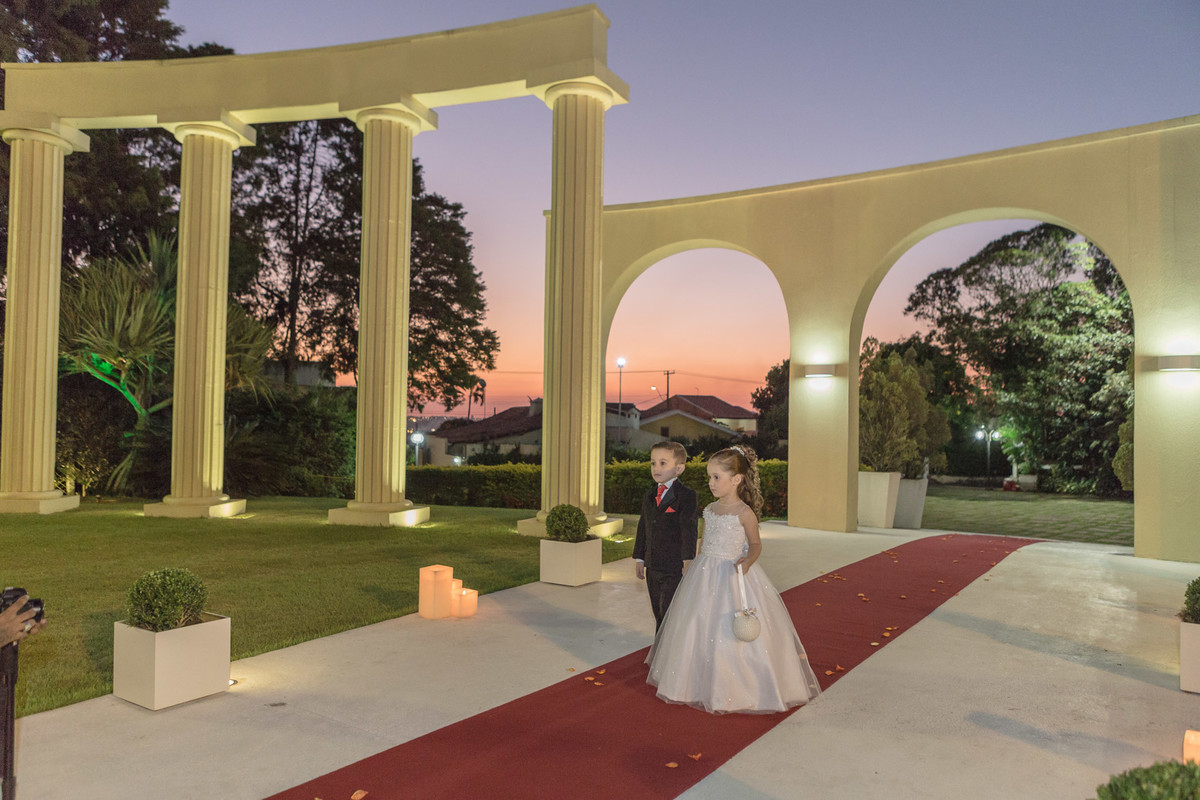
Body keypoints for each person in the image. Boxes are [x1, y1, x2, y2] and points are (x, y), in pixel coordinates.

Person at [646, 444, 821, 714]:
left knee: (730, 629)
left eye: (717, 477)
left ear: (736, 480)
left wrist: (748, 561)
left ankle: (736, 685)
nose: (711, 482)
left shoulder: (744, 513)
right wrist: (693, 558)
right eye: (709, 477)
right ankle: (689, 682)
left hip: (733, 574)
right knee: (695, 623)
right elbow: (706, 538)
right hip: (704, 572)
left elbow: (755, 545)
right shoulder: (711, 509)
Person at [633, 441, 700, 631]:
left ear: (679, 468)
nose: (656, 468)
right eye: (653, 463)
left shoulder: (686, 495)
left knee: (668, 611)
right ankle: (662, 648)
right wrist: (640, 557)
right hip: (652, 564)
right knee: (657, 609)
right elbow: (643, 526)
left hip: (673, 565)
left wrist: (688, 559)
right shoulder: (649, 495)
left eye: (663, 463)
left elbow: (689, 528)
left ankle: (663, 653)